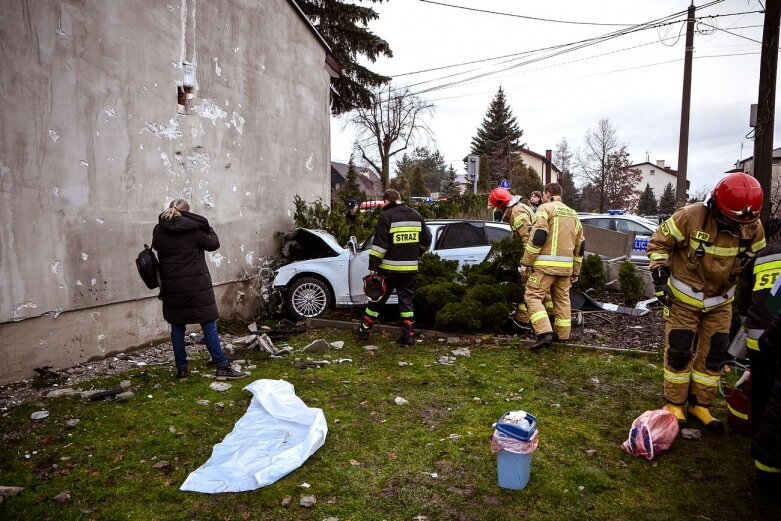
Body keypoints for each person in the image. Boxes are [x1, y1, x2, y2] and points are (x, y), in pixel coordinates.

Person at [647, 172, 765, 431]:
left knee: (714, 354)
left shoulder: (751, 225)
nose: (734, 226)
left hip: (720, 302)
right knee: (679, 350)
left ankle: (701, 404)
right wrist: (659, 276)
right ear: (715, 205)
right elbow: (659, 244)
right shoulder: (690, 217)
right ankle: (674, 403)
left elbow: (757, 263)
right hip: (683, 299)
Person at [152, 199, 247, 380]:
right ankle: (221, 365)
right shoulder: (195, 228)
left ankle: (182, 370)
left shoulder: (159, 229)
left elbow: (156, 246)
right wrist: (208, 228)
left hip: (172, 286)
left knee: (177, 327)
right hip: (196, 286)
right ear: (187, 211)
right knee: (209, 325)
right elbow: (213, 244)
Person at [736, 217, 781, 494]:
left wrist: (742, 324)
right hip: (772, 337)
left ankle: (759, 446)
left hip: (757, 338)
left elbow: (744, 296)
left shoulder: (764, 256)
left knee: (765, 398)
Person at [354, 189, 432, 345]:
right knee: (406, 301)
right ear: (400, 199)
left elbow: (379, 247)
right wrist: (417, 254)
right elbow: (427, 241)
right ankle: (408, 335)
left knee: (377, 300)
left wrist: (373, 267)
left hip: (388, 270)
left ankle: (364, 330)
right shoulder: (417, 216)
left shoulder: (386, 217)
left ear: (386, 202)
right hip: (410, 269)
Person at [520, 183, 585, 351]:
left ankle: (544, 333)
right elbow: (580, 246)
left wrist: (526, 262)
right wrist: (576, 270)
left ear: (548, 194)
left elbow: (538, 237)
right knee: (562, 300)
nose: (542, 196)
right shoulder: (573, 214)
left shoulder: (545, 208)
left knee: (532, 297)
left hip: (545, 266)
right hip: (566, 268)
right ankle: (562, 335)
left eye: (543, 194)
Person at [488, 187, 553, 330]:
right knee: (543, 292)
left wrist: (525, 263)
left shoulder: (516, 212)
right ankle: (550, 317)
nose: (496, 210)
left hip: (533, 257)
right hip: (538, 256)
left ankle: (524, 321)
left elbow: (528, 238)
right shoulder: (518, 208)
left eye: (496, 207)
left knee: (529, 289)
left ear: (501, 204)